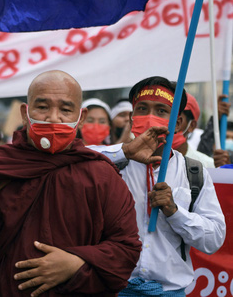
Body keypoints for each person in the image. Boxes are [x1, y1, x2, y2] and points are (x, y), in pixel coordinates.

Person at [0, 70, 141, 296]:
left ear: (80, 117)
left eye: (65, 109)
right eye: (42, 107)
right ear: (25, 112)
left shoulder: (100, 174)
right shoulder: (2, 165)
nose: (53, 118)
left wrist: (74, 263)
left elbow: (126, 249)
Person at [96, 76, 225, 296]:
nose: (150, 117)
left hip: (170, 292)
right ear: (131, 116)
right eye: (142, 108)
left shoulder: (193, 172)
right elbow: (72, 157)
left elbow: (213, 239)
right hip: (113, 289)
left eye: (162, 111)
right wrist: (124, 152)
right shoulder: (107, 163)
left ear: (178, 123)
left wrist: (175, 212)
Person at [172, 93, 215, 168]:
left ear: (192, 125)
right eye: (162, 112)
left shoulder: (206, 166)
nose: (164, 123)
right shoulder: (146, 162)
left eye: (174, 118)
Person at [196, 94, 232, 167]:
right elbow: (204, 148)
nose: (230, 141)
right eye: (226, 137)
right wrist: (216, 117)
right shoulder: (207, 161)